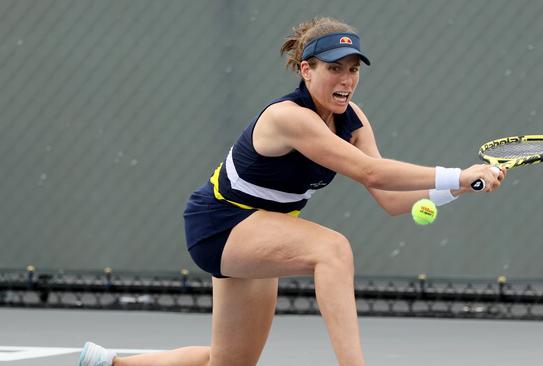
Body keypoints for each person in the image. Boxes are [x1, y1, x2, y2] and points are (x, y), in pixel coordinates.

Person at [79, 16, 504, 366]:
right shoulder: (289, 117)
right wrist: (456, 174)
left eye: (353, 68)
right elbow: (373, 173)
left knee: (230, 363)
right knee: (333, 250)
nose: (347, 78)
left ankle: (108, 364)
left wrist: (462, 187)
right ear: (306, 69)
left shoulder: (353, 119)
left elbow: (392, 200)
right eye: (334, 67)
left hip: (263, 231)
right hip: (221, 224)